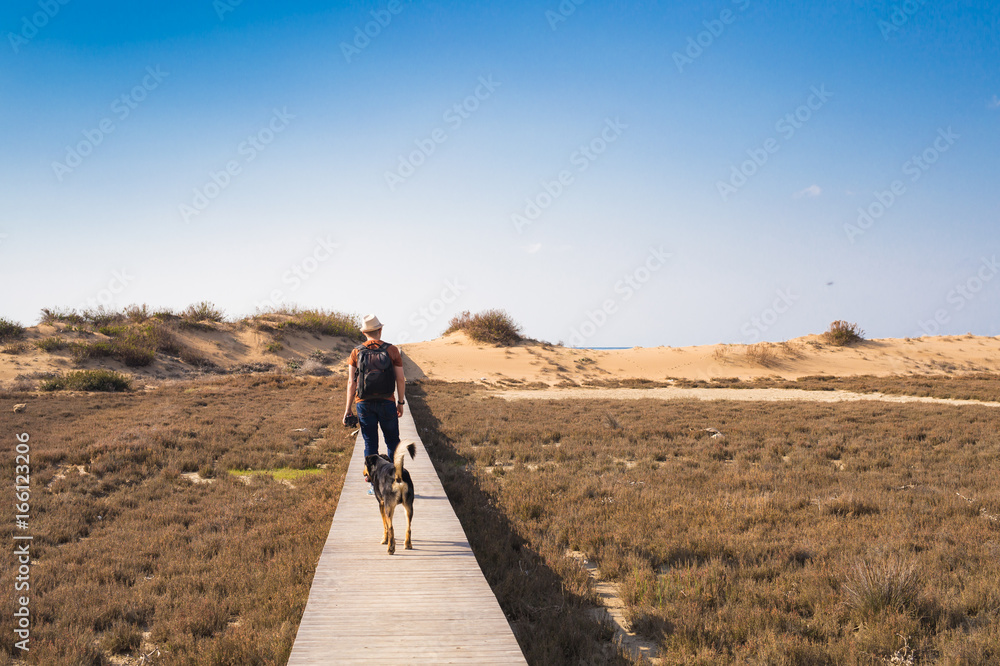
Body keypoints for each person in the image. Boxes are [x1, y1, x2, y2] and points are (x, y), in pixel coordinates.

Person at [343, 314, 406, 469]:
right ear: (380, 330)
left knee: (370, 443)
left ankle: (373, 483)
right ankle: (396, 477)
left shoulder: (356, 352)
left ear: (364, 333)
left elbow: (352, 382)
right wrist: (400, 403)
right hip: (387, 402)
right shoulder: (392, 350)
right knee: (392, 441)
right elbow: (400, 379)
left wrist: (348, 409)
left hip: (363, 403)